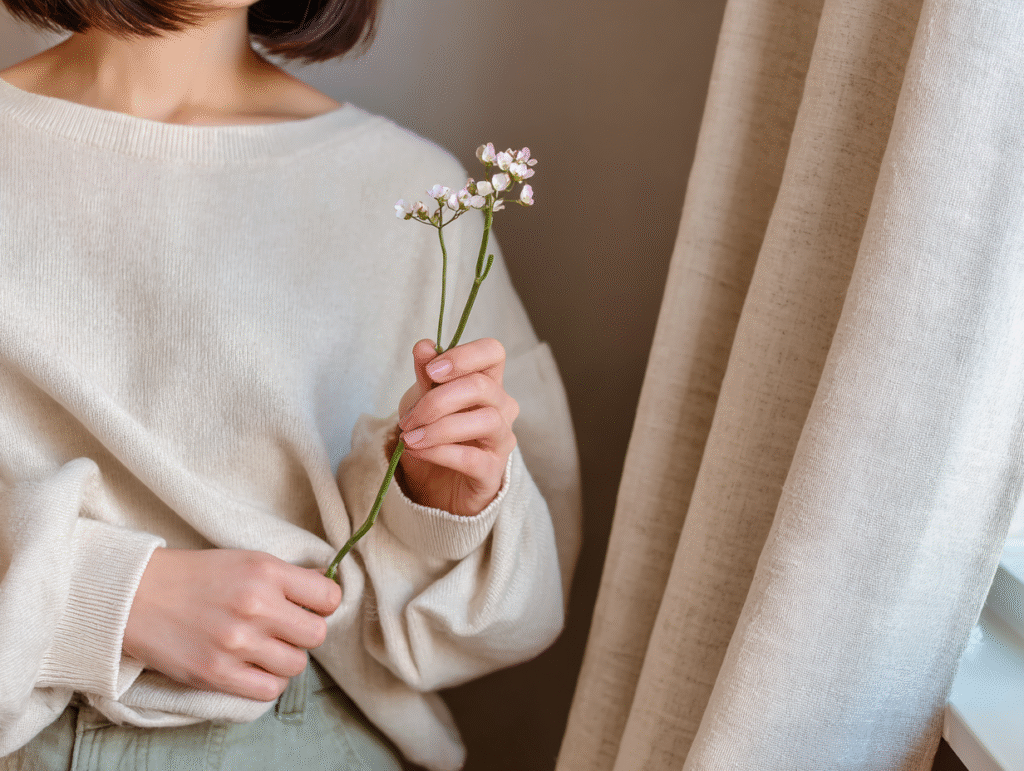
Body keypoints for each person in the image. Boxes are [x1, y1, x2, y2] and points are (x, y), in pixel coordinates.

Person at [0, 1, 581, 769]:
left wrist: (441, 502)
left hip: (311, 735)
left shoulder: (412, 194)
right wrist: (99, 595)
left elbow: (510, 613)